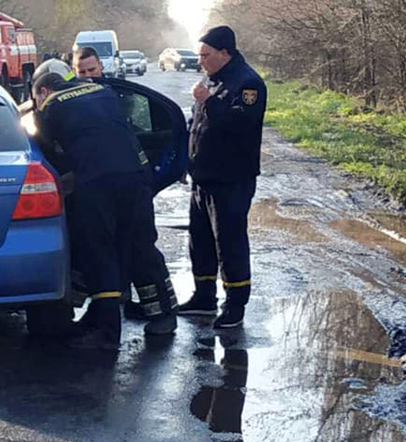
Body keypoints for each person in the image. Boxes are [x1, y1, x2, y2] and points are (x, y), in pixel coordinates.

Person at [32, 67, 177, 349]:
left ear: (43, 92)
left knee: (99, 249)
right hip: (136, 177)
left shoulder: (50, 106)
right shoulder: (103, 91)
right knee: (141, 244)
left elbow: (49, 151)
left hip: (98, 183)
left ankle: (106, 330)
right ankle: (163, 314)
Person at [180, 25, 267, 329]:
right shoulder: (210, 79)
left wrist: (209, 101)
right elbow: (197, 126)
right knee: (199, 240)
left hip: (231, 179)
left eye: (205, 55)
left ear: (224, 53)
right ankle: (204, 296)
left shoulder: (248, 84)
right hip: (203, 177)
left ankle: (235, 305)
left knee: (229, 243)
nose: (200, 60)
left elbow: (239, 125)